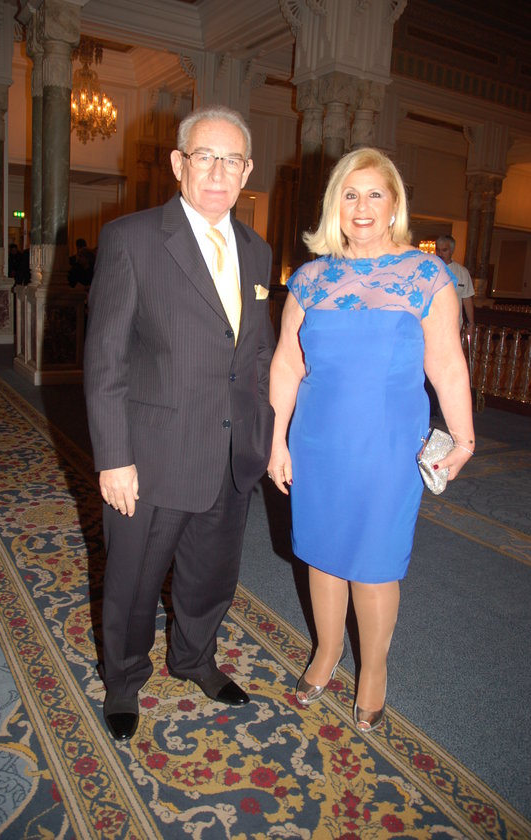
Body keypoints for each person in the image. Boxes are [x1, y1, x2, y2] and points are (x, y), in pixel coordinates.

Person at [83, 104, 275, 742]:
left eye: (231, 160)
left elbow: (258, 352)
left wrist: (265, 436)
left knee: (212, 573)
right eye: (204, 156)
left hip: (230, 451)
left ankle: (195, 659)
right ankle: (123, 679)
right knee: (134, 579)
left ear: (247, 171)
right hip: (153, 454)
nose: (218, 172)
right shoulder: (132, 238)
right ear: (178, 163)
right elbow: (106, 359)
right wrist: (114, 457)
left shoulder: (256, 250)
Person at [267, 148, 474, 732]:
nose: (362, 206)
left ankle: (374, 671)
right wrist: (276, 441)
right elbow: (286, 364)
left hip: (388, 446)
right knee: (322, 554)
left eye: (374, 194)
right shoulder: (309, 279)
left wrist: (463, 440)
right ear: (334, 205)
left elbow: (447, 365)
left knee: (375, 563)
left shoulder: (425, 275)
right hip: (317, 442)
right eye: (350, 194)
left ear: (394, 205)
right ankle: (327, 652)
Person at [435, 234, 475, 332]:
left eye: (444, 250)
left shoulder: (462, 272)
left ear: (452, 251)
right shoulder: (429, 269)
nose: (440, 254)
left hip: (453, 325)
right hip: (431, 324)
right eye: (438, 250)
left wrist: (471, 323)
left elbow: (467, 299)